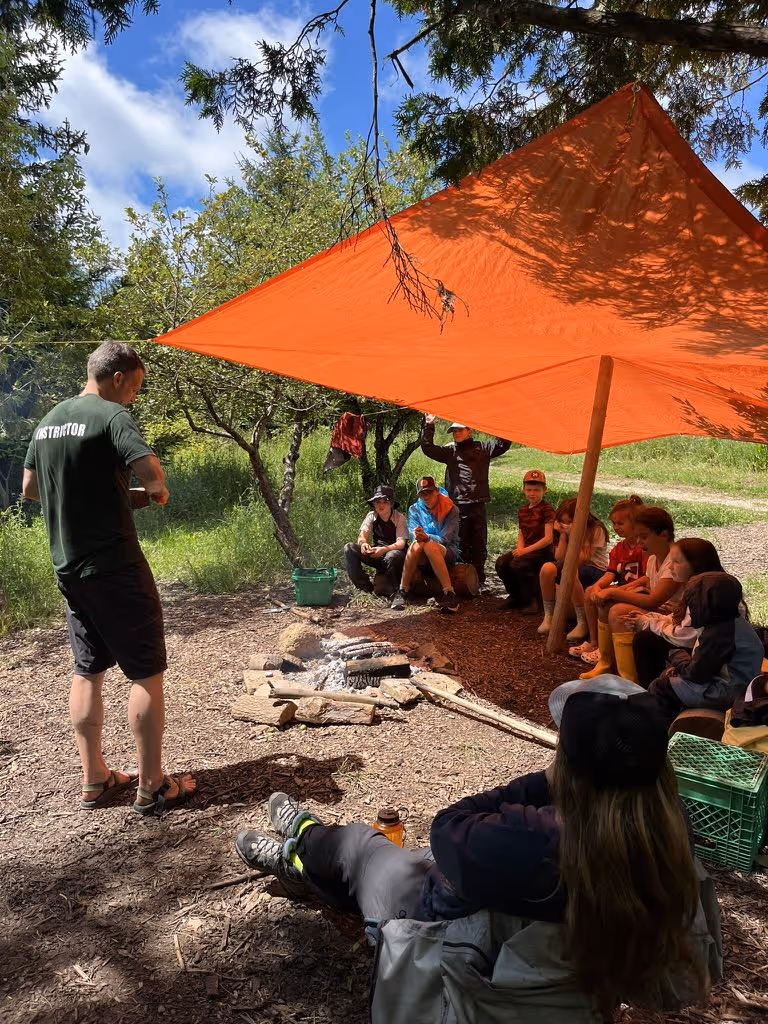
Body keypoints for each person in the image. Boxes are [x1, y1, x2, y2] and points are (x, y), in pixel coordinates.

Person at [233, 675, 719, 1019]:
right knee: (393, 859)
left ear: (568, 767)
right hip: (565, 983)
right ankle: (303, 845)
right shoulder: (669, 839)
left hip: (448, 948)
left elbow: (448, 824)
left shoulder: (526, 840)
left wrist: (549, 781)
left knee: (361, 849)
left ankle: (300, 847)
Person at [22, 341, 196, 815]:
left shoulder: (50, 420)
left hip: (69, 569)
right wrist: (156, 490)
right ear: (117, 377)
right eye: (134, 388)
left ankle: (95, 778)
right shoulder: (111, 415)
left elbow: (31, 489)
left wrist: (118, 498)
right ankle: (153, 785)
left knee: (87, 671)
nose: (133, 399)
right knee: (145, 673)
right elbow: (150, 469)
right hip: (115, 567)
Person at [580, 506, 681, 683]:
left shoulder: (675, 560)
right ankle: (606, 663)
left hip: (676, 616)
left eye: (644, 536)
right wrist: (614, 592)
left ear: (664, 535)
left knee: (618, 611)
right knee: (607, 604)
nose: (639, 541)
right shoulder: (653, 557)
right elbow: (647, 582)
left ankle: (629, 678)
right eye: (638, 536)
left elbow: (652, 601)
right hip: (662, 610)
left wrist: (613, 591)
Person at [648, 572, 765, 724]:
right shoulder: (730, 621)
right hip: (737, 684)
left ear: (702, 604)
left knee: (660, 687)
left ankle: (660, 733)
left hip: (729, 691)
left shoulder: (720, 633)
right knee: (669, 676)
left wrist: (677, 656)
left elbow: (697, 674)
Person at [420, 414, 510, 587]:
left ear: (470, 430)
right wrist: (429, 425)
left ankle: (479, 580)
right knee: (459, 542)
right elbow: (428, 448)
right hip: (458, 505)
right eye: (453, 431)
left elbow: (503, 444)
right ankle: (461, 580)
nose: (456, 433)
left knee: (479, 542)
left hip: (477, 503)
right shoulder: (450, 451)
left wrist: (500, 421)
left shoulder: (483, 448)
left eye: (459, 429)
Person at [626, 539, 726, 686]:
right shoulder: (698, 586)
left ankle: (651, 690)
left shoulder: (708, 593)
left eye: (676, 562)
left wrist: (647, 623)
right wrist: (651, 617)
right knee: (647, 634)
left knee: (646, 639)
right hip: (697, 644)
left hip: (710, 656)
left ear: (695, 565)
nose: (670, 567)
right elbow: (681, 619)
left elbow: (685, 635)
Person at [537, 498, 609, 637]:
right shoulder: (565, 531)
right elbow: (559, 556)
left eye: (569, 521)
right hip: (571, 564)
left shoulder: (596, 529)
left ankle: (582, 621)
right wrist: (563, 535)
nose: (565, 524)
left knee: (570, 572)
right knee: (547, 569)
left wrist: (573, 534)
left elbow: (583, 558)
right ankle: (549, 616)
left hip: (595, 569)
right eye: (562, 521)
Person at [391, 476, 461, 613]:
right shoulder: (414, 509)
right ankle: (403, 590)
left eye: (429, 492)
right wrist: (417, 535)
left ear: (436, 491)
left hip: (447, 550)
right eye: (422, 493)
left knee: (429, 544)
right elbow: (412, 533)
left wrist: (427, 537)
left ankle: (449, 593)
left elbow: (445, 538)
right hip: (422, 551)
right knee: (417, 545)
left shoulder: (451, 509)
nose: (426, 496)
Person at [495, 469, 555, 612]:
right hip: (527, 549)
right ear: (523, 490)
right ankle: (515, 596)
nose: (532, 493)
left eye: (536, 490)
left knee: (519, 564)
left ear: (544, 490)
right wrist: (519, 549)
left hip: (542, 551)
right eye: (529, 490)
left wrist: (524, 551)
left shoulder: (547, 509)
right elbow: (521, 533)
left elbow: (548, 538)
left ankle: (532, 599)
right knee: (502, 562)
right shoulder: (523, 509)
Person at [343, 484, 407, 605]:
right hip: (377, 554)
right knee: (349, 548)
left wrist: (383, 549)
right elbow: (362, 536)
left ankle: (396, 593)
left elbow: (401, 543)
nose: (381, 505)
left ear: (391, 504)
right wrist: (363, 544)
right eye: (377, 501)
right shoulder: (371, 516)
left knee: (393, 555)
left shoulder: (399, 518)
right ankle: (364, 587)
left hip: (395, 556)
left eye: (385, 501)